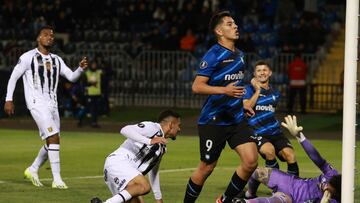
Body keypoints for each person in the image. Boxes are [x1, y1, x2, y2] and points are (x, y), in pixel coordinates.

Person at [183, 11, 258, 203]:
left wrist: (241, 103)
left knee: (250, 162)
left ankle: (224, 200)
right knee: (206, 167)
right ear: (219, 31)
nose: (235, 26)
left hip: (236, 118)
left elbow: (236, 89)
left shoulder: (240, 55)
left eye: (235, 23)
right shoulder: (213, 54)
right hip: (213, 120)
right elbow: (197, 86)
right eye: (229, 24)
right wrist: (224, 91)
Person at [4, 25, 88, 189]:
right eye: (45, 34)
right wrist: (8, 99)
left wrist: (80, 69)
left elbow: (71, 77)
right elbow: (13, 78)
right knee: (53, 137)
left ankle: (33, 169)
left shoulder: (57, 59)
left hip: (52, 104)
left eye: (52, 35)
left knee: (53, 140)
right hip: (37, 103)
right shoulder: (28, 57)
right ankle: (56, 179)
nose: (50, 37)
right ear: (38, 38)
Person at [233, 115, 341, 203]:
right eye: (328, 183)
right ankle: (249, 195)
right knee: (257, 172)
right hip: (289, 182)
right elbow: (317, 159)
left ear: (337, 193)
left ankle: (245, 202)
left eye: (329, 187)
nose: (326, 185)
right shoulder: (332, 174)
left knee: (278, 200)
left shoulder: (334, 200)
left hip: (293, 199)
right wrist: (300, 137)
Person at [90, 110, 181, 203]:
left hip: (124, 173)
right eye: (179, 125)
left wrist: (158, 198)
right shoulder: (152, 128)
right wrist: (149, 141)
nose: (179, 129)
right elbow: (125, 130)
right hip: (118, 162)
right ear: (171, 124)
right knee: (144, 186)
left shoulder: (162, 148)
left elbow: (153, 172)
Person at [243, 60, 299, 177]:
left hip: (275, 132)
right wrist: (258, 90)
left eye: (265, 70)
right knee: (269, 151)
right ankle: (275, 185)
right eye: (258, 70)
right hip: (257, 132)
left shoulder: (275, 93)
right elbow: (247, 106)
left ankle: (294, 188)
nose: (262, 73)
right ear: (254, 74)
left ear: (270, 73)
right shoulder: (247, 89)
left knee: (290, 156)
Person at [84, 61, 103, 128]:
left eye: (95, 65)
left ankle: (94, 122)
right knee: (91, 109)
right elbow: (84, 83)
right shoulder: (87, 73)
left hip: (97, 94)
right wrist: (91, 84)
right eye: (93, 65)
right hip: (90, 94)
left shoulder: (99, 72)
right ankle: (91, 122)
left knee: (96, 109)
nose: (94, 66)